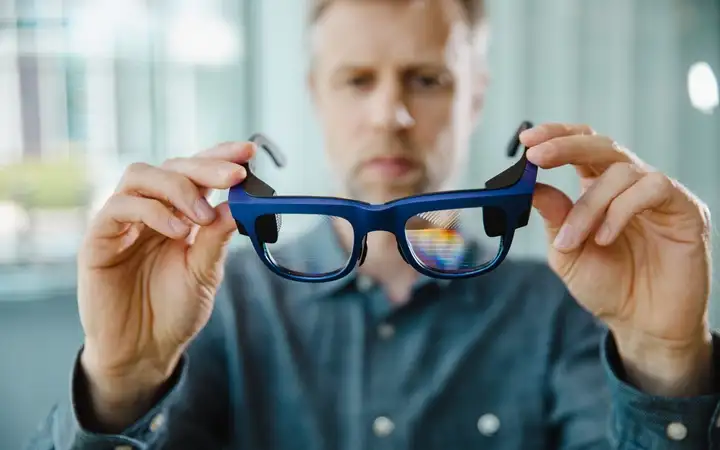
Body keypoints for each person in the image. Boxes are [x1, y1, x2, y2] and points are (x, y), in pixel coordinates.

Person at [26, 0, 720, 449]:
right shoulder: (217, 308)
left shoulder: (562, 312)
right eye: (357, 80)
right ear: (316, 96)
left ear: (474, 96)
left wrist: (665, 359)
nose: (390, 114)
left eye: (426, 79)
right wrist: (125, 381)